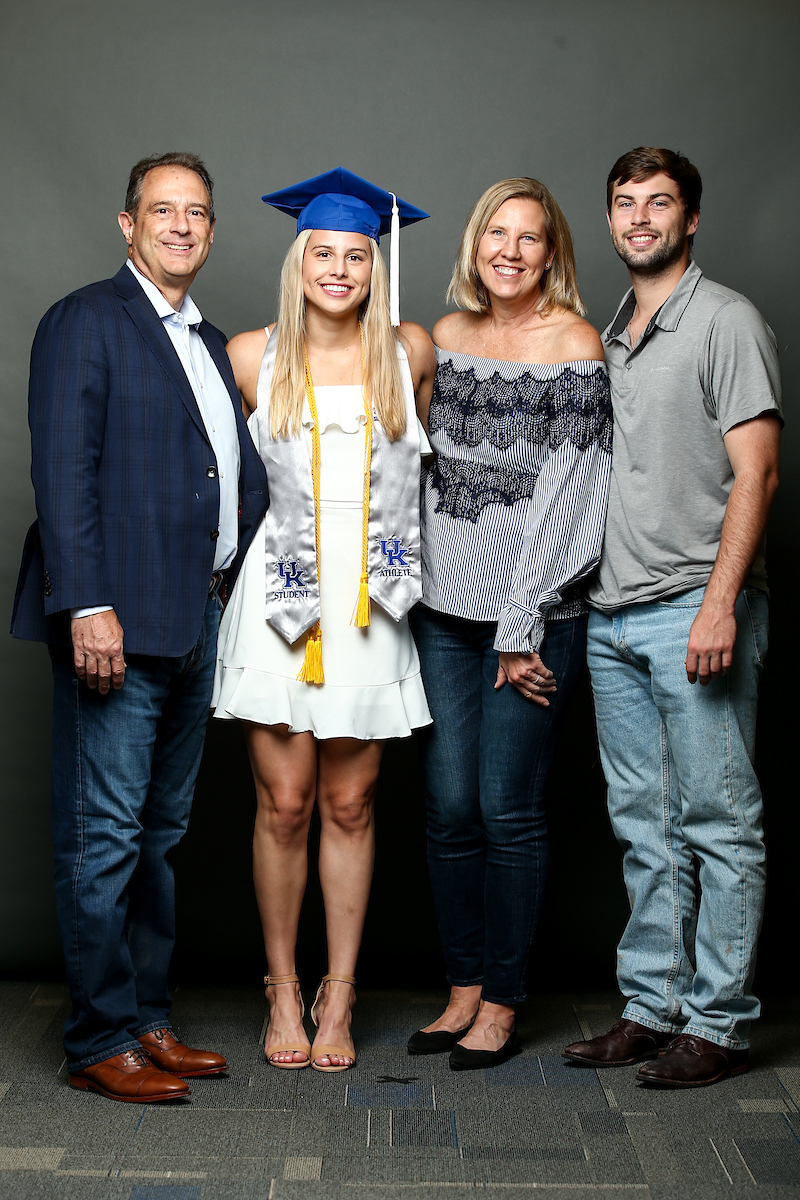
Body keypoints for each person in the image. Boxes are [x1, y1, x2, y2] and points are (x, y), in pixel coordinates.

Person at [10, 153, 268, 1104]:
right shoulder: (87, 319)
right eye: (163, 210)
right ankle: (98, 1039)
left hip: (195, 616)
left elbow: (223, 473)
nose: (181, 226)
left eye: (197, 213)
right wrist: (86, 604)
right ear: (129, 224)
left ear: (212, 230)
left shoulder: (209, 341)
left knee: (158, 836)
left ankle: (147, 1018)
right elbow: (63, 470)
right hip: (114, 619)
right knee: (104, 836)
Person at [562, 148, 781, 1087]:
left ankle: (719, 1024)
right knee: (643, 825)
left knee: (718, 823)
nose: (640, 218)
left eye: (659, 203)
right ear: (611, 219)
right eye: (626, 203)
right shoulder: (612, 333)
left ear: (691, 219)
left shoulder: (726, 320)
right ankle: (653, 1008)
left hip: (696, 604)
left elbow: (757, 471)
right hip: (612, 616)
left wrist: (721, 604)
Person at [212, 168, 435, 1073]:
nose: (339, 270)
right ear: (297, 262)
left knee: (351, 802)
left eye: (356, 256)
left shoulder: (408, 351)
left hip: (371, 598)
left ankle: (338, 992)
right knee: (286, 804)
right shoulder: (249, 355)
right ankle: (282, 986)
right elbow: (217, 477)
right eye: (323, 254)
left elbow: (426, 479)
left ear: (376, 266)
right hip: (284, 595)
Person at [406, 178, 612, 1070]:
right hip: (442, 615)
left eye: (530, 237)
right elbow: (413, 466)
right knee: (449, 808)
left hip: (531, 619)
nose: (510, 251)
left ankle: (501, 999)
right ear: (475, 244)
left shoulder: (574, 344)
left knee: (507, 807)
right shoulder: (445, 337)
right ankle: (460, 988)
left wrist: (519, 623)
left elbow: (575, 495)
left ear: (551, 252)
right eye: (497, 232)